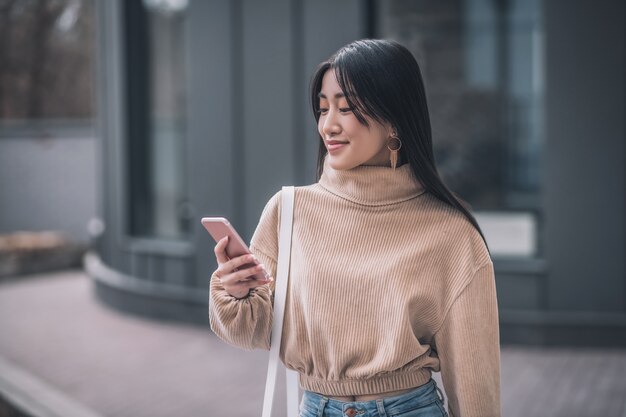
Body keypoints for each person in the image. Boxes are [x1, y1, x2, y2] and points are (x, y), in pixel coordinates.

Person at [209, 39, 501, 417]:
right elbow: (252, 331)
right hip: (314, 406)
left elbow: (476, 382)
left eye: (345, 108)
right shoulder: (289, 210)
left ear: (393, 120)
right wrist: (237, 292)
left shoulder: (451, 233)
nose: (328, 125)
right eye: (322, 108)